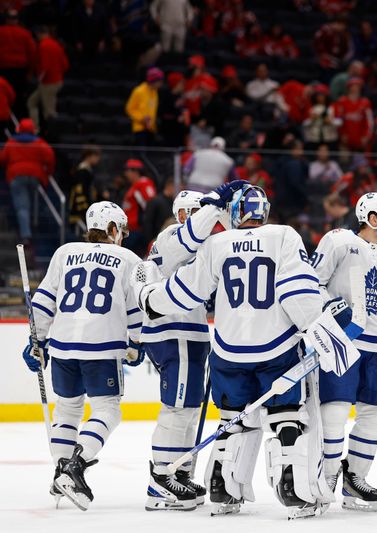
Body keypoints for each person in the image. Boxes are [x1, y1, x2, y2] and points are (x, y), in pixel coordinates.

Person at [134, 184, 356, 519]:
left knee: (231, 420)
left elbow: (187, 290)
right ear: (263, 211)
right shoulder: (283, 235)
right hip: (276, 346)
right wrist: (323, 324)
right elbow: (297, 290)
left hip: (228, 350)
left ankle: (223, 489)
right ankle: (294, 487)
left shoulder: (216, 243)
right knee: (287, 417)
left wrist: (150, 300)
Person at [22, 201, 145, 510]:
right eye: (122, 231)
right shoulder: (129, 259)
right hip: (102, 345)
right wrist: (137, 343)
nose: (123, 237)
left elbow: (43, 301)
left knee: (66, 411)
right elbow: (136, 312)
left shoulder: (64, 253)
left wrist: (36, 340)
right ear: (113, 229)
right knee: (109, 410)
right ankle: (74, 465)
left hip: (63, 344)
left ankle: (60, 472)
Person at [313, 192, 377, 512]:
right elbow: (309, 284)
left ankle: (353, 479)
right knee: (335, 416)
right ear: (372, 217)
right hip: (342, 342)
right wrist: (332, 307)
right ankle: (325, 480)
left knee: (373, 418)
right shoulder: (338, 240)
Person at [141, 184, 243, 511]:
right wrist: (216, 204)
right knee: (177, 408)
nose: (203, 220)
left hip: (189, 334)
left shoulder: (196, 251)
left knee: (187, 407)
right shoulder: (171, 238)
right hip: (175, 333)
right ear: (183, 214)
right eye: (196, 213)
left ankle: (178, 472)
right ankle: (161, 480)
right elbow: (195, 236)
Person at [0, 118, 55, 254]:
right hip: (35, 177)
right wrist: (46, 174)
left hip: (17, 177)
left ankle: (26, 236)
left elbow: (2, 159)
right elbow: (50, 158)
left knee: (22, 207)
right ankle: (34, 224)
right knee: (31, 203)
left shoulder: (11, 142)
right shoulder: (39, 143)